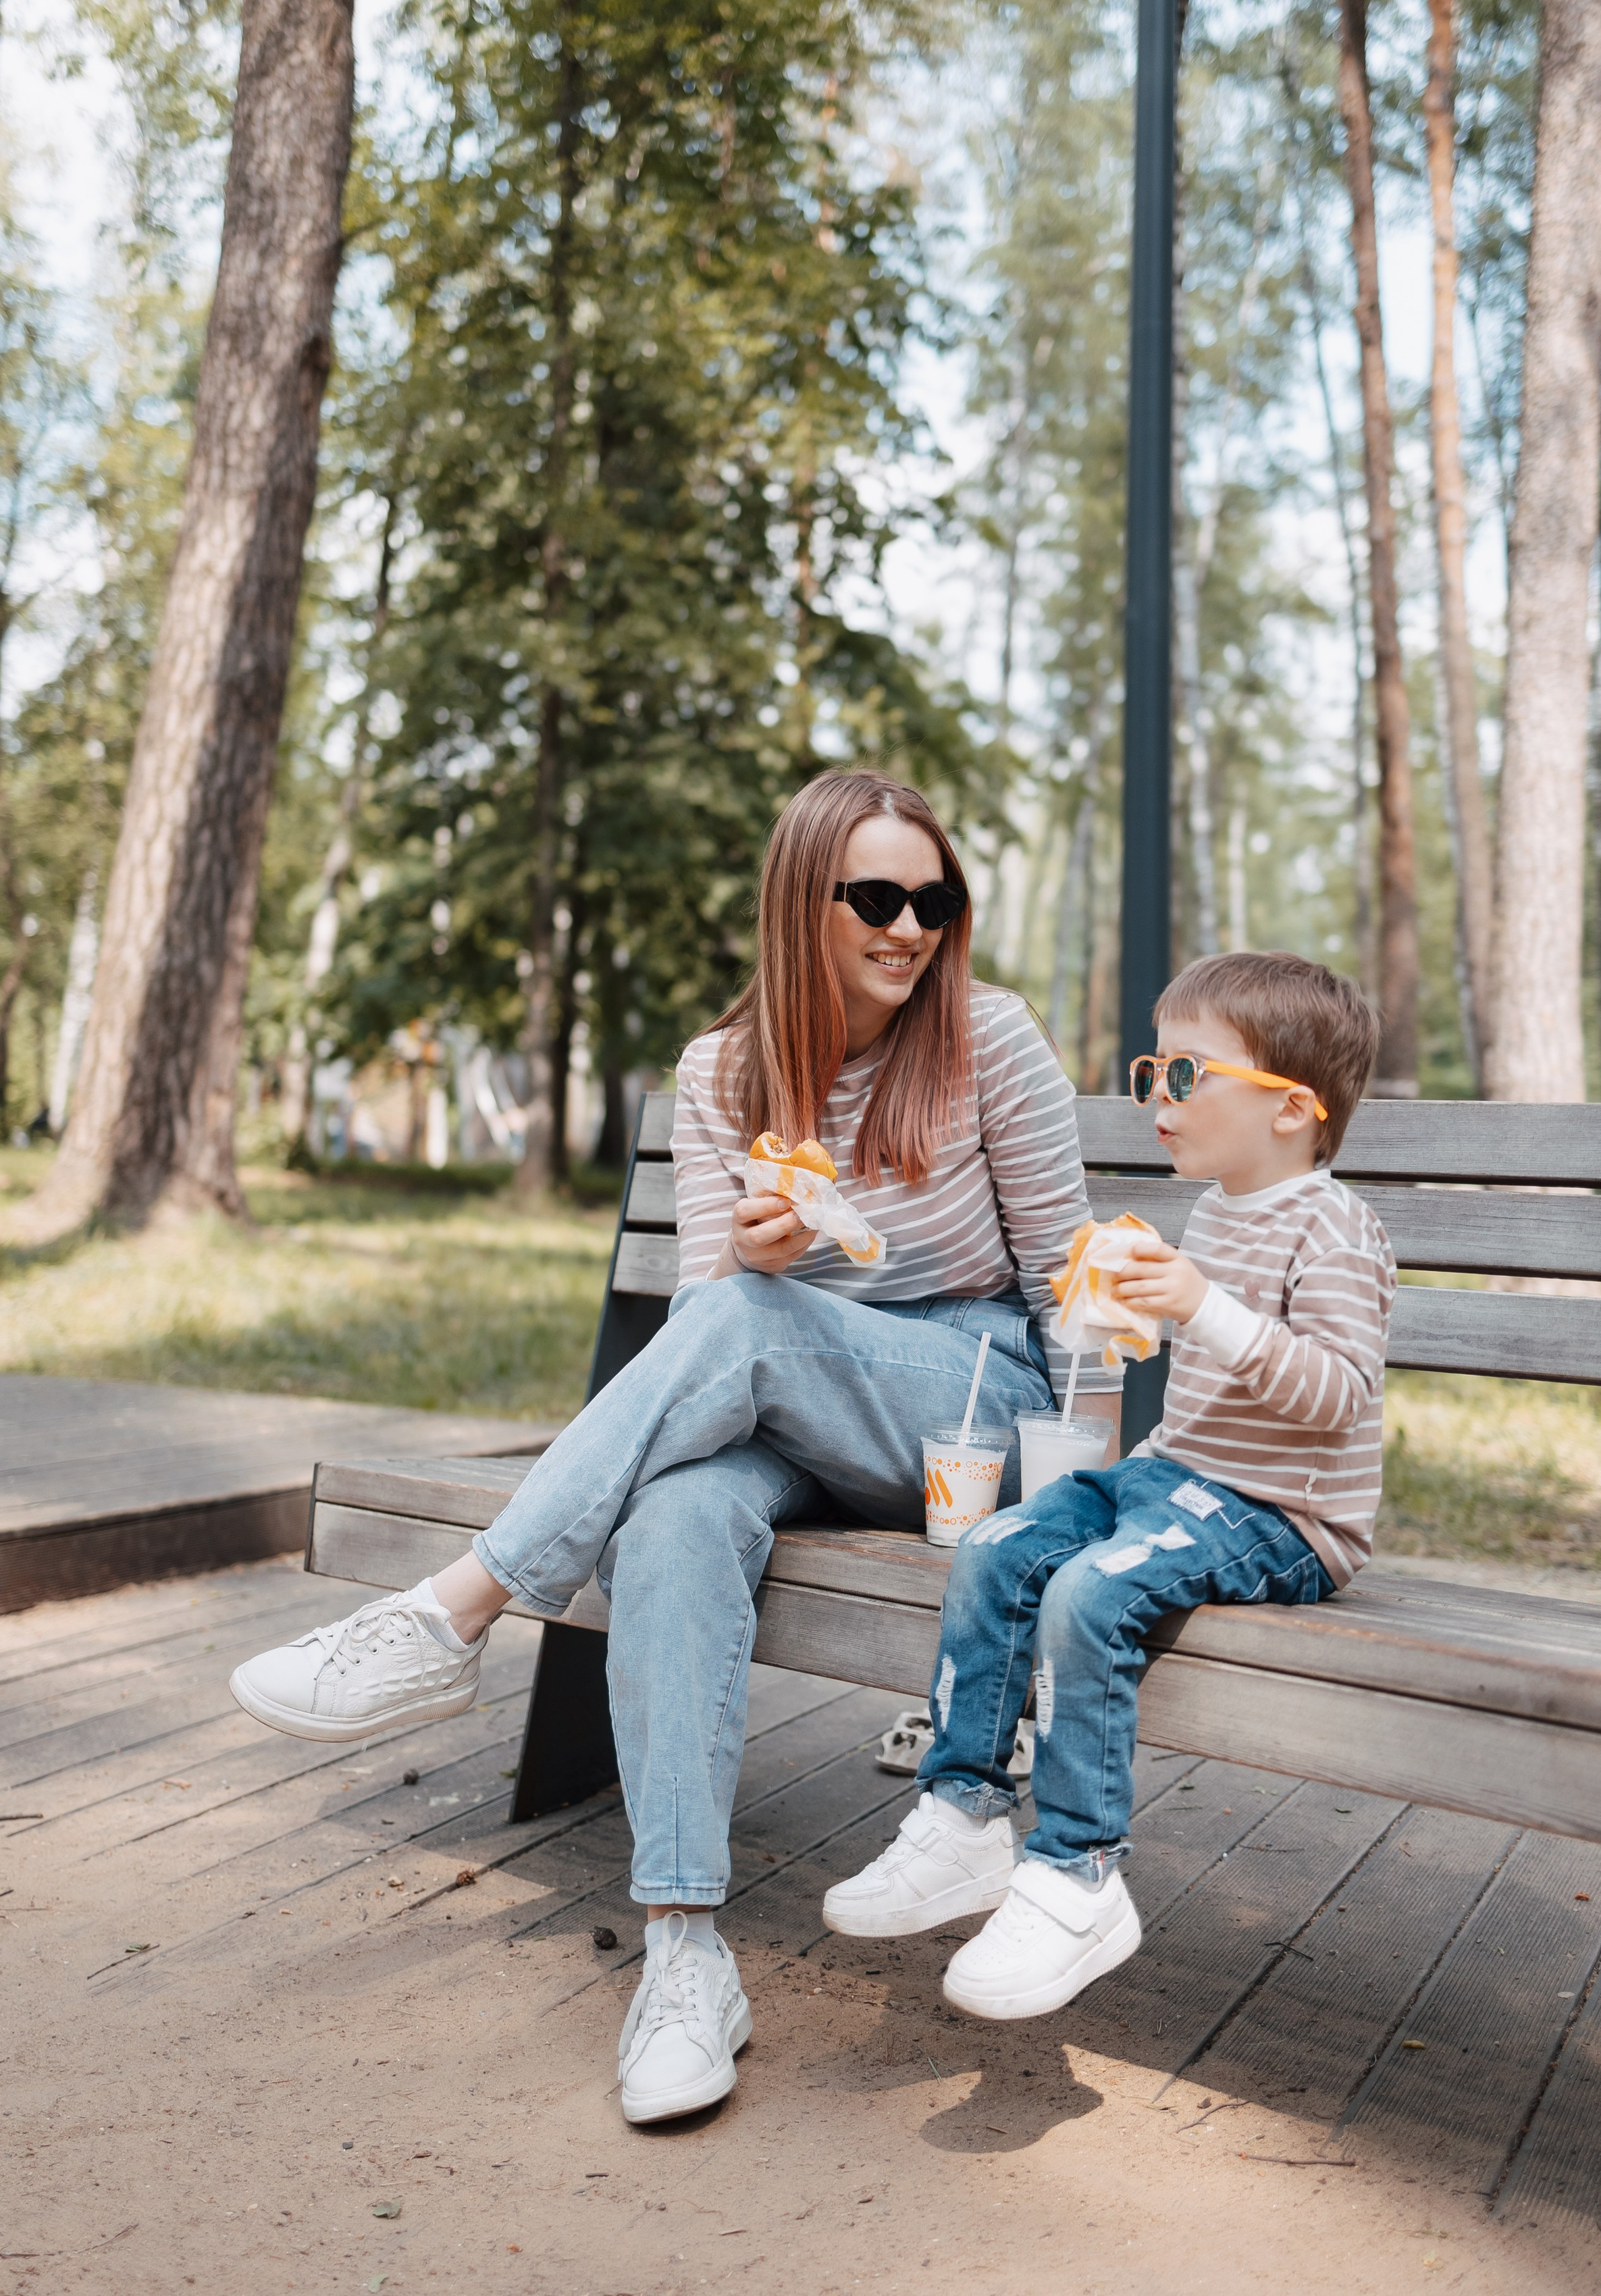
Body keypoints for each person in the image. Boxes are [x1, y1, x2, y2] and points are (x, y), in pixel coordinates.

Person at [228, 768, 1116, 2122]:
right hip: (773, 1392)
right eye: (874, 897)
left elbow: (1073, 1288)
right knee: (675, 1518)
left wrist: (1069, 1497)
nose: (908, 926)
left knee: (748, 1324)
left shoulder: (986, 1040)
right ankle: (686, 1953)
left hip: (970, 1404)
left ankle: (452, 1616)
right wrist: (757, 1263)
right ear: (797, 903)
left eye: (932, 898)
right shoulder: (723, 1072)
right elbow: (717, 1324)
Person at [822, 949, 1396, 2023]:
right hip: (1180, 1479)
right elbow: (1205, 1376)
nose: (1157, 1100)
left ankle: (1079, 1872)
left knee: (1093, 1588)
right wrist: (1124, 1317)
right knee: (997, 1548)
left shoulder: (1336, 1227)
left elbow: (1336, 1396)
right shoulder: (1221, 1210)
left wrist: (1203, 1309)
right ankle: (961, 1816)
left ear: (1291, 1111)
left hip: (1285, 1517)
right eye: (1152, 1073)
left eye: (1185, 1076)